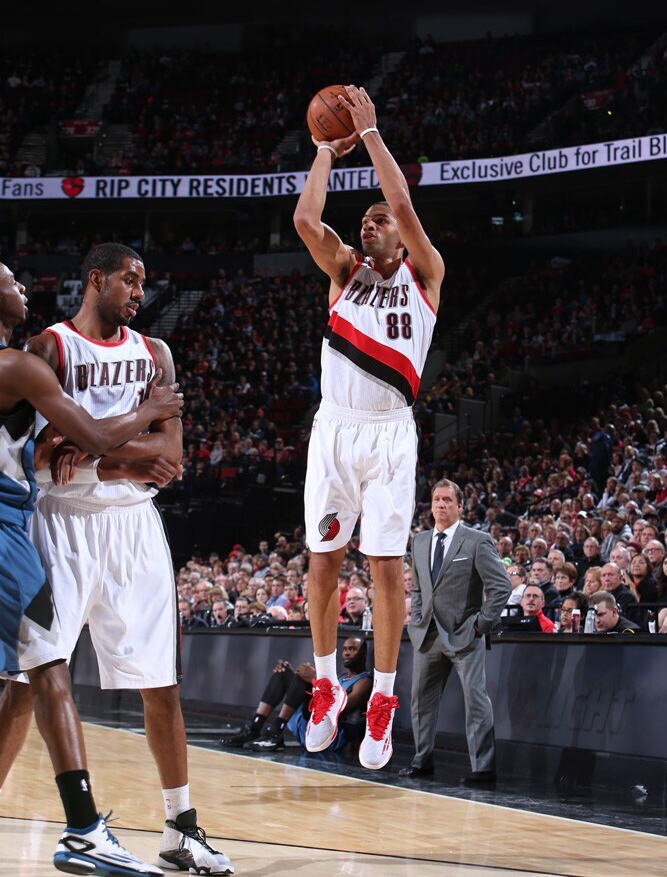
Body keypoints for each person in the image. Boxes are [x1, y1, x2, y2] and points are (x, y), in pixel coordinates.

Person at [0, 245, 234, 874]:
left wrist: (96, 452)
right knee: (28, 681)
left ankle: (181, 827)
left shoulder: (155, 353)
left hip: (133, 524)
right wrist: (122, 453)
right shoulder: (48, 349)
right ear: (95, 279)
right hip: (60, 522)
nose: (139, 290)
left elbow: (172, 454)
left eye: (144, 282)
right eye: (129, 279)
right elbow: (40, 454)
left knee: (161, 680)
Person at [293, 85, 444, 770]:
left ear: (398, 236)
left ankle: (381, 698)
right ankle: (325, 683)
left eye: (378, 220)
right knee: (322, 562)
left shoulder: (426, 276)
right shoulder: (341, 272)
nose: (369, 225)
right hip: (335, 431)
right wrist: (325, 150)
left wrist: (373, 135)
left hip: (388, 434)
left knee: (385, 568)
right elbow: (304, 219)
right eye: (364, 221)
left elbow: (406, 204)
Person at [399, 479, 511, 784]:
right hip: (427, 635)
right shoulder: (420, 541)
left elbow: (501, 586)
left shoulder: (476, 540)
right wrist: (417, 619)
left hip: (465, 635)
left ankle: (483, 769)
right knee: (420, 701)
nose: (441, 505)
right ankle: (422, 761)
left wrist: (480, 625)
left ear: (460, 506)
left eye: (448, 500)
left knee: (476, 701)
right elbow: (419, 588)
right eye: (437, 499)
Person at [220, 636, 372, 753]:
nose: (346, 652)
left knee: (303, 678)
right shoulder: (341, 677)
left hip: (332, 736)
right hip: (312, 725)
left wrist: (316, 679)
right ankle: (253, 728)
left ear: (363, 653)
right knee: (283, 672)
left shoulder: (364, 681)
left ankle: (275, 732)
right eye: (345, 648)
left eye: (352, 649)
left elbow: (342, 708)